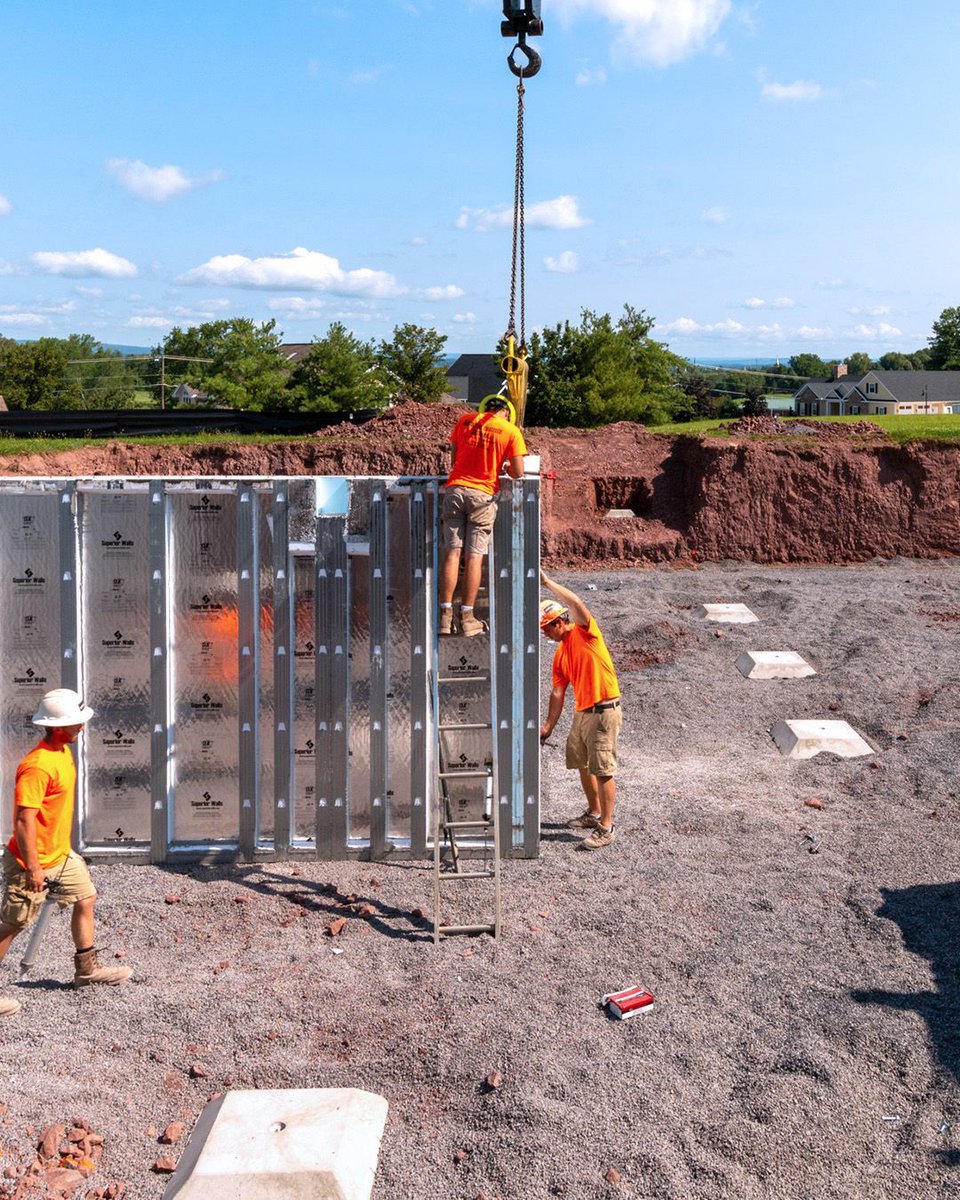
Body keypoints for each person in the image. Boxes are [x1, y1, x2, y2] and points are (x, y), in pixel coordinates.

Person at [0, 688, 132, 1017]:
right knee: (12, 924)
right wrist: (33, 868)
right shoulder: (37, 766)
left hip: (59, 856)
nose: (82, 727)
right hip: (31, 862)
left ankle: (86, 971)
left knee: (86, 897)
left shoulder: (62, 752)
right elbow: (23, 820)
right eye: (76, 723)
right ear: (56, 726)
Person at [538, 570, 622, 850]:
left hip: (603, 709)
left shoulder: (585, 632)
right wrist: (548, 726)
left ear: (560, 622)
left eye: (547, 628)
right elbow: (557, 692)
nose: (545, 634)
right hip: (584, 712)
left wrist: (547, 583)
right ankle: (594, 812)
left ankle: (607, 827)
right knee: (582, 763)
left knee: (603, 768)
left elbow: (575, 602)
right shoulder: (560, 653)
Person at [439, 396, 527, 637]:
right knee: (474, 557)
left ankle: (445, 617)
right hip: (482, 496)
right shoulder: (510, 431)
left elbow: (455, 459)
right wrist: (504, 467)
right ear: (506, 412)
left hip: (455, 491)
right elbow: (518, 472)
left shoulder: (465, 421)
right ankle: (467, 618)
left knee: (452, 552)